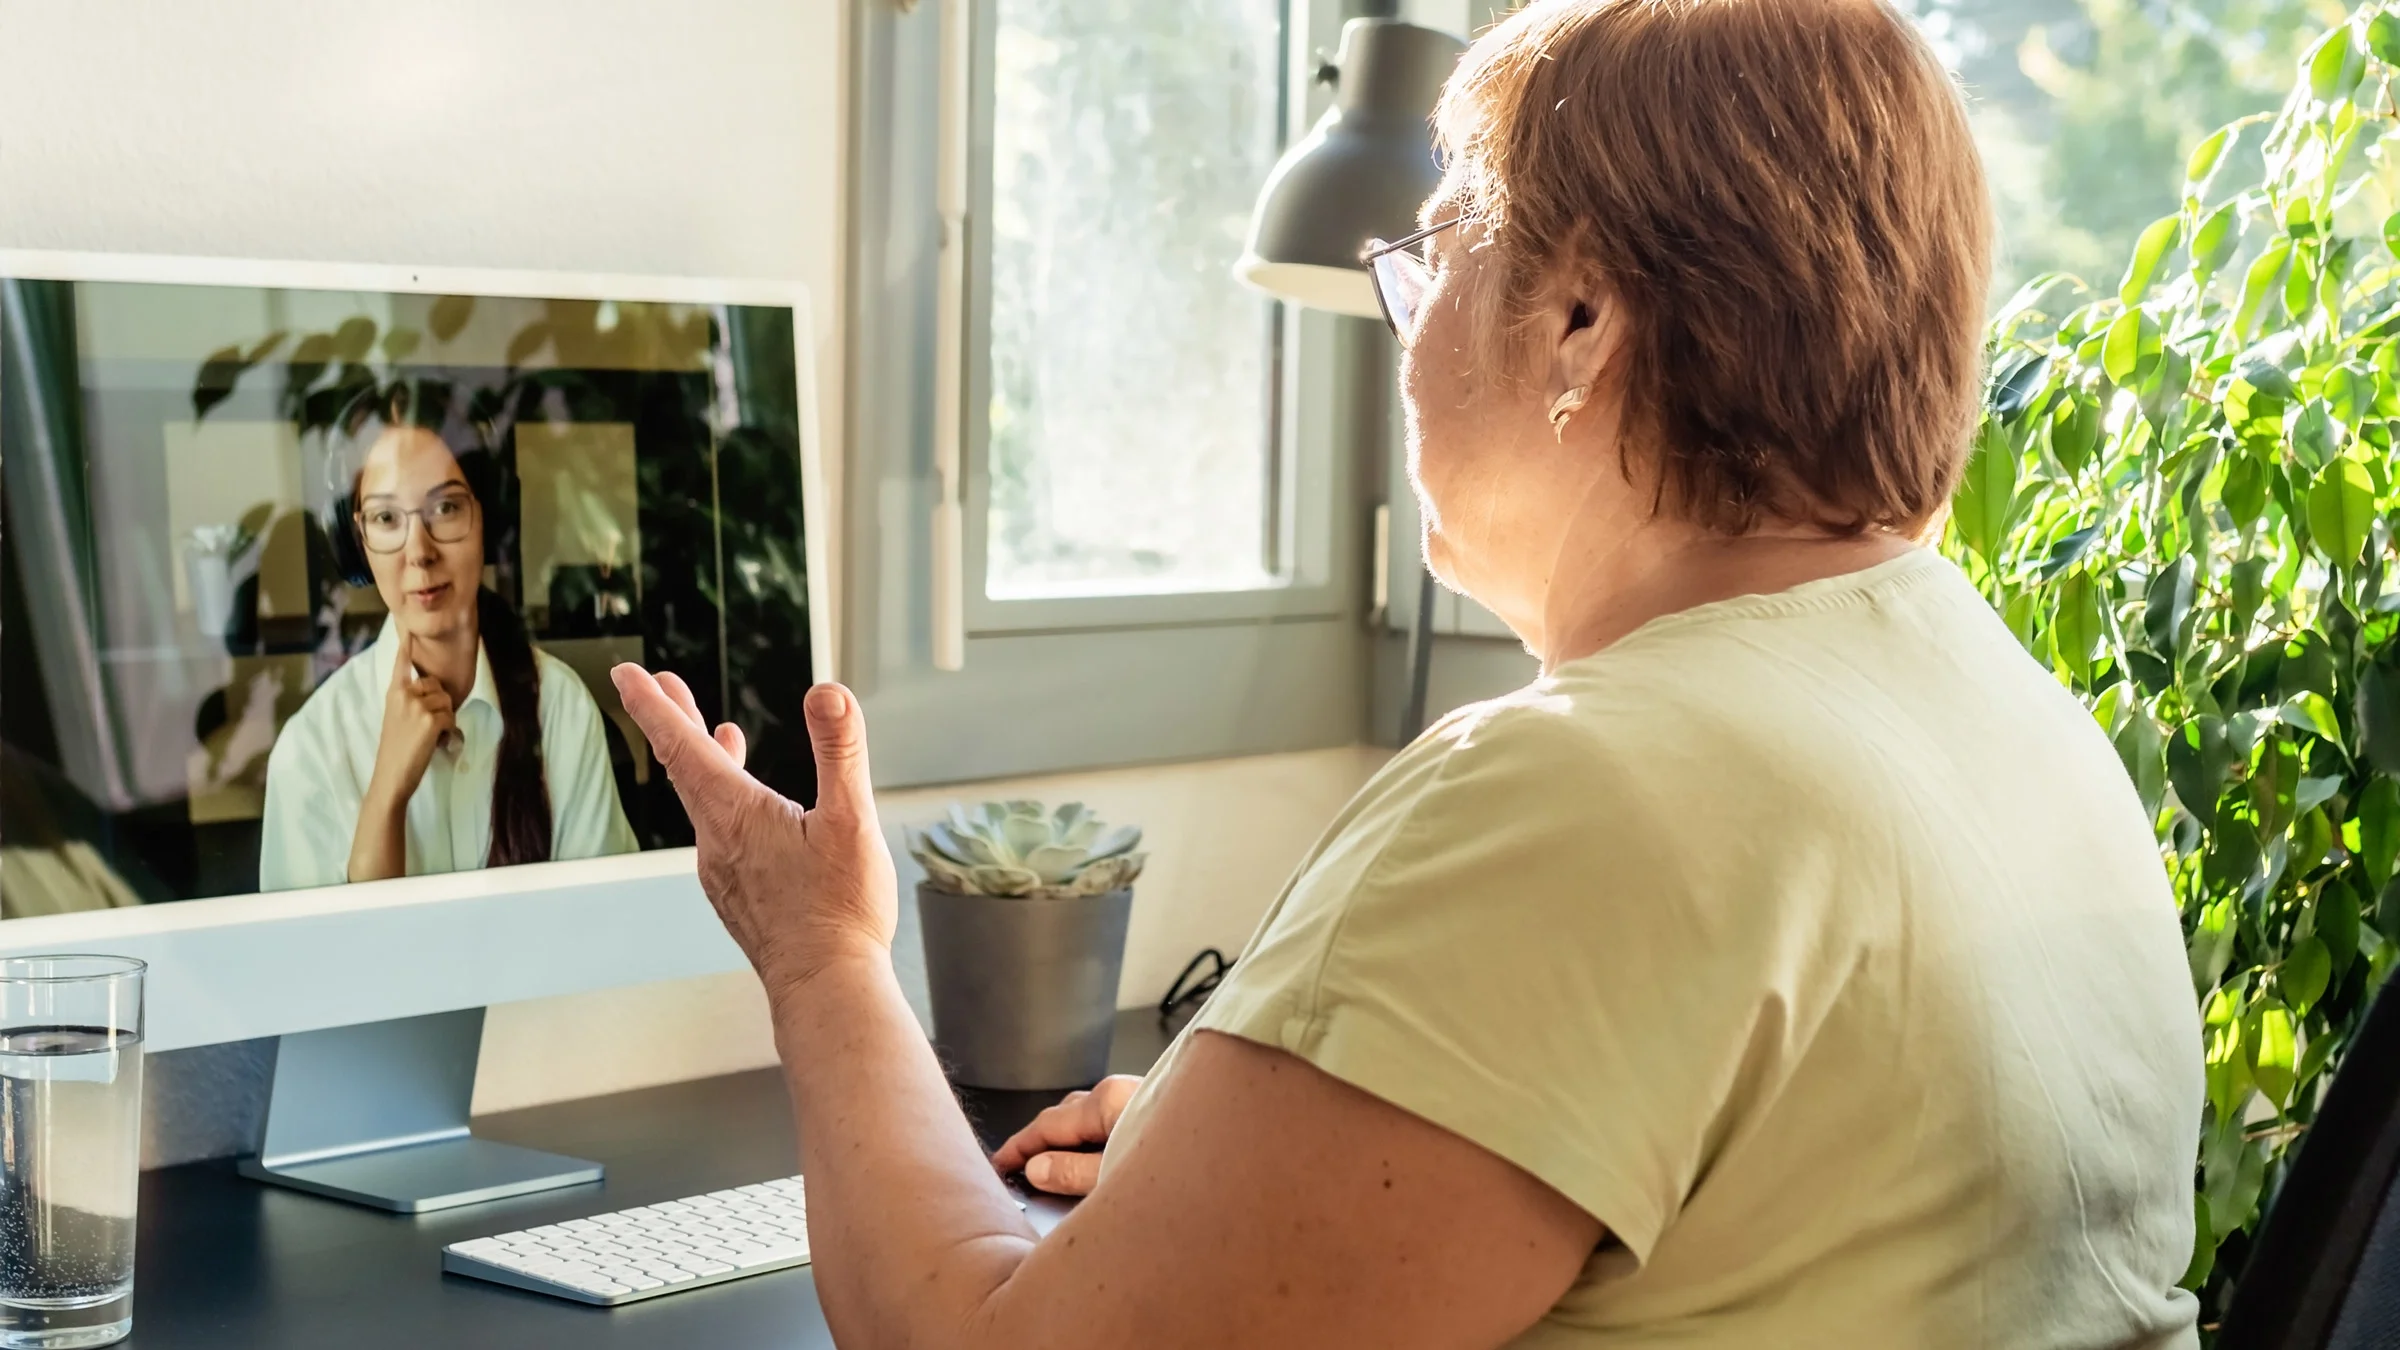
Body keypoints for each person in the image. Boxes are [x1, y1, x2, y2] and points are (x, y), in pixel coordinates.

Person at [609, 0, 2204, 1343]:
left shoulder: (1586, 790)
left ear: (1580, 318)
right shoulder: (2015, 721)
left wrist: (821, 953)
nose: (1408, 324)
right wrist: (1250, 1154)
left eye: (1435, 256)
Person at [259, 421, 636, 891]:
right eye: (386, 518)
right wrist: (387, 794)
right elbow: (326, 942)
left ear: (487, 518)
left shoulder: (562, 708)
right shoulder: (310, 750)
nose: (419, 552)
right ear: (357, 542)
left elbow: (605, 923)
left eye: (446, 508)